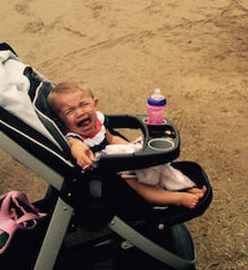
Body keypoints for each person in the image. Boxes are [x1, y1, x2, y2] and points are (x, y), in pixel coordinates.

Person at [47, 81, 206, 209]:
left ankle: (186, 187)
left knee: (163, 169)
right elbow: (76, 146)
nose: (80, 112)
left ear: (95, 103)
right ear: (61, 121)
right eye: (70, 111)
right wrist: (81, 154)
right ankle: (177, 199)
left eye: (83, 104)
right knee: (138, 187)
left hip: (121, 160)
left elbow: (111, 138)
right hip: (108, 170)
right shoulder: (74, 136)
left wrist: (134, 155)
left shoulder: (99, 123)